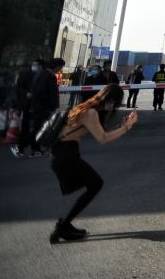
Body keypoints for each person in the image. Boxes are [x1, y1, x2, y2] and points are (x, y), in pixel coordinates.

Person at [48, 83, 138, 243]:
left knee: (94, 184)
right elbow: (102, 139)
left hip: (63, 152)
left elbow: (102, 132)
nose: (114, 107)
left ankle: (65, 225)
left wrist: (122, 126)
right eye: (115, 103)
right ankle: (63, 226)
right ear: (110, 100)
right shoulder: (91, 113)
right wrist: (127, 128)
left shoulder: (86, 107)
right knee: (95, 184)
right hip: (65, 154)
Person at [13, 58, 64, 158]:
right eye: (61, 67)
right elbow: (51, 94)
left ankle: (35, 150)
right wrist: (54, 107)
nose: (60, 69)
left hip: (38, 106)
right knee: (38, 129)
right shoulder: (49, 76)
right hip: (42, 107)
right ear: (57, 66)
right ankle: (20, 147)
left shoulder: (42, 74)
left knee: (38, 129)